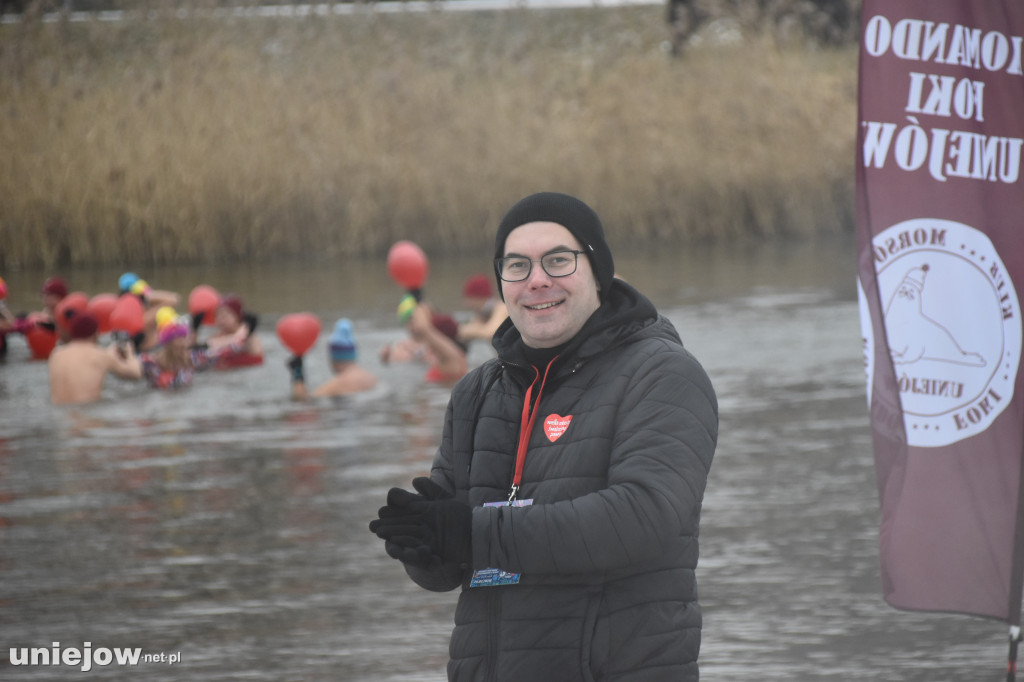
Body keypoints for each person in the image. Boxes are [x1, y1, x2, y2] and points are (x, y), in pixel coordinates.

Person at [369, 192, 718, 681]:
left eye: (558, 260)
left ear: (597, 272)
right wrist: (427, 550)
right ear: (502, 283)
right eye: (517, 265)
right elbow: (454, 558)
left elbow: (645, 518)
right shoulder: (476, 392)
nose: (537, 280)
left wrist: (472, 535)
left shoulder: (662, 373)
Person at [138, 310, 249, 390]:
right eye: (178, 340)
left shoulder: (193, 359)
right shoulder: (149, 362)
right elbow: (130, 369)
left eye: (184, 339)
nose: (183, 344)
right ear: (168, 344)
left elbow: (221, 353)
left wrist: (241, 338)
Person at [48, 312, 142, 405]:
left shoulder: (56, 354)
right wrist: (129, 353)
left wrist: (107, 354)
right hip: (87, 414)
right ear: (96, 333)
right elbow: (136, 373)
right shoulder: (100, 356)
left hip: (60, 415)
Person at [287, 318, 377, 399]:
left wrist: (297, 374)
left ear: (333, 357)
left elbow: (304, 400)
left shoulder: (339, 384)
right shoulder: (371, 378)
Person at [204, 294, 263, 367]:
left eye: (224, 316)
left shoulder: (251, 338)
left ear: (237, 316)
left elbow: (258, 358)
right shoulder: (215, 337)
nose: (219, 320)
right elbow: (207, 346)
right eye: (217, 316)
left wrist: (243, 334)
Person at [456, 274, 507, 346]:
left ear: (477, 297)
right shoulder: (482, 313)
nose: (466, 304)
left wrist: (464, 330)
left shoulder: (502, 308)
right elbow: (465, 335)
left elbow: (491, 332)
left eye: (469, 298)